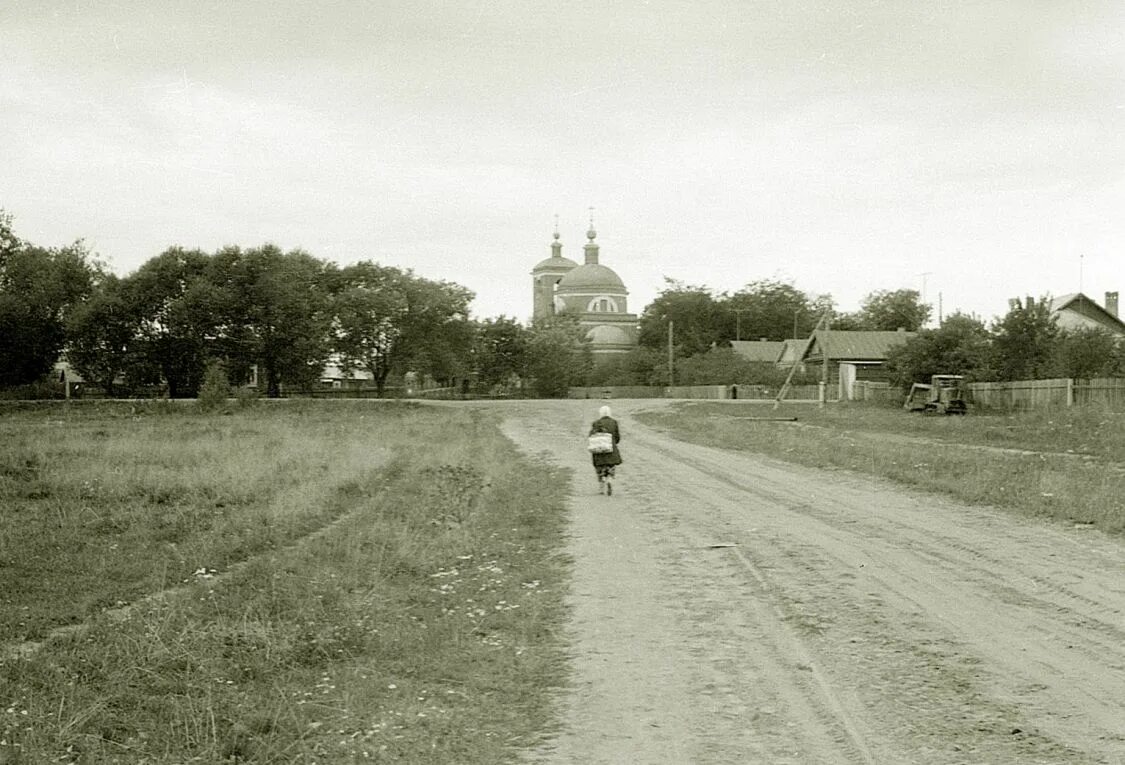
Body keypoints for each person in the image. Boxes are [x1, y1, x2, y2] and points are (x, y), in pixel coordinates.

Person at [588, 405, 622, 495]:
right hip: (611, 449)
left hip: (599, 450)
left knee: (600, 468)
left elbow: (591, 436)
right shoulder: (614, 422)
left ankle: (601, 486)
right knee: (611, 467)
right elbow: (617, 437)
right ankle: (609, 479)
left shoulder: (596, 423)